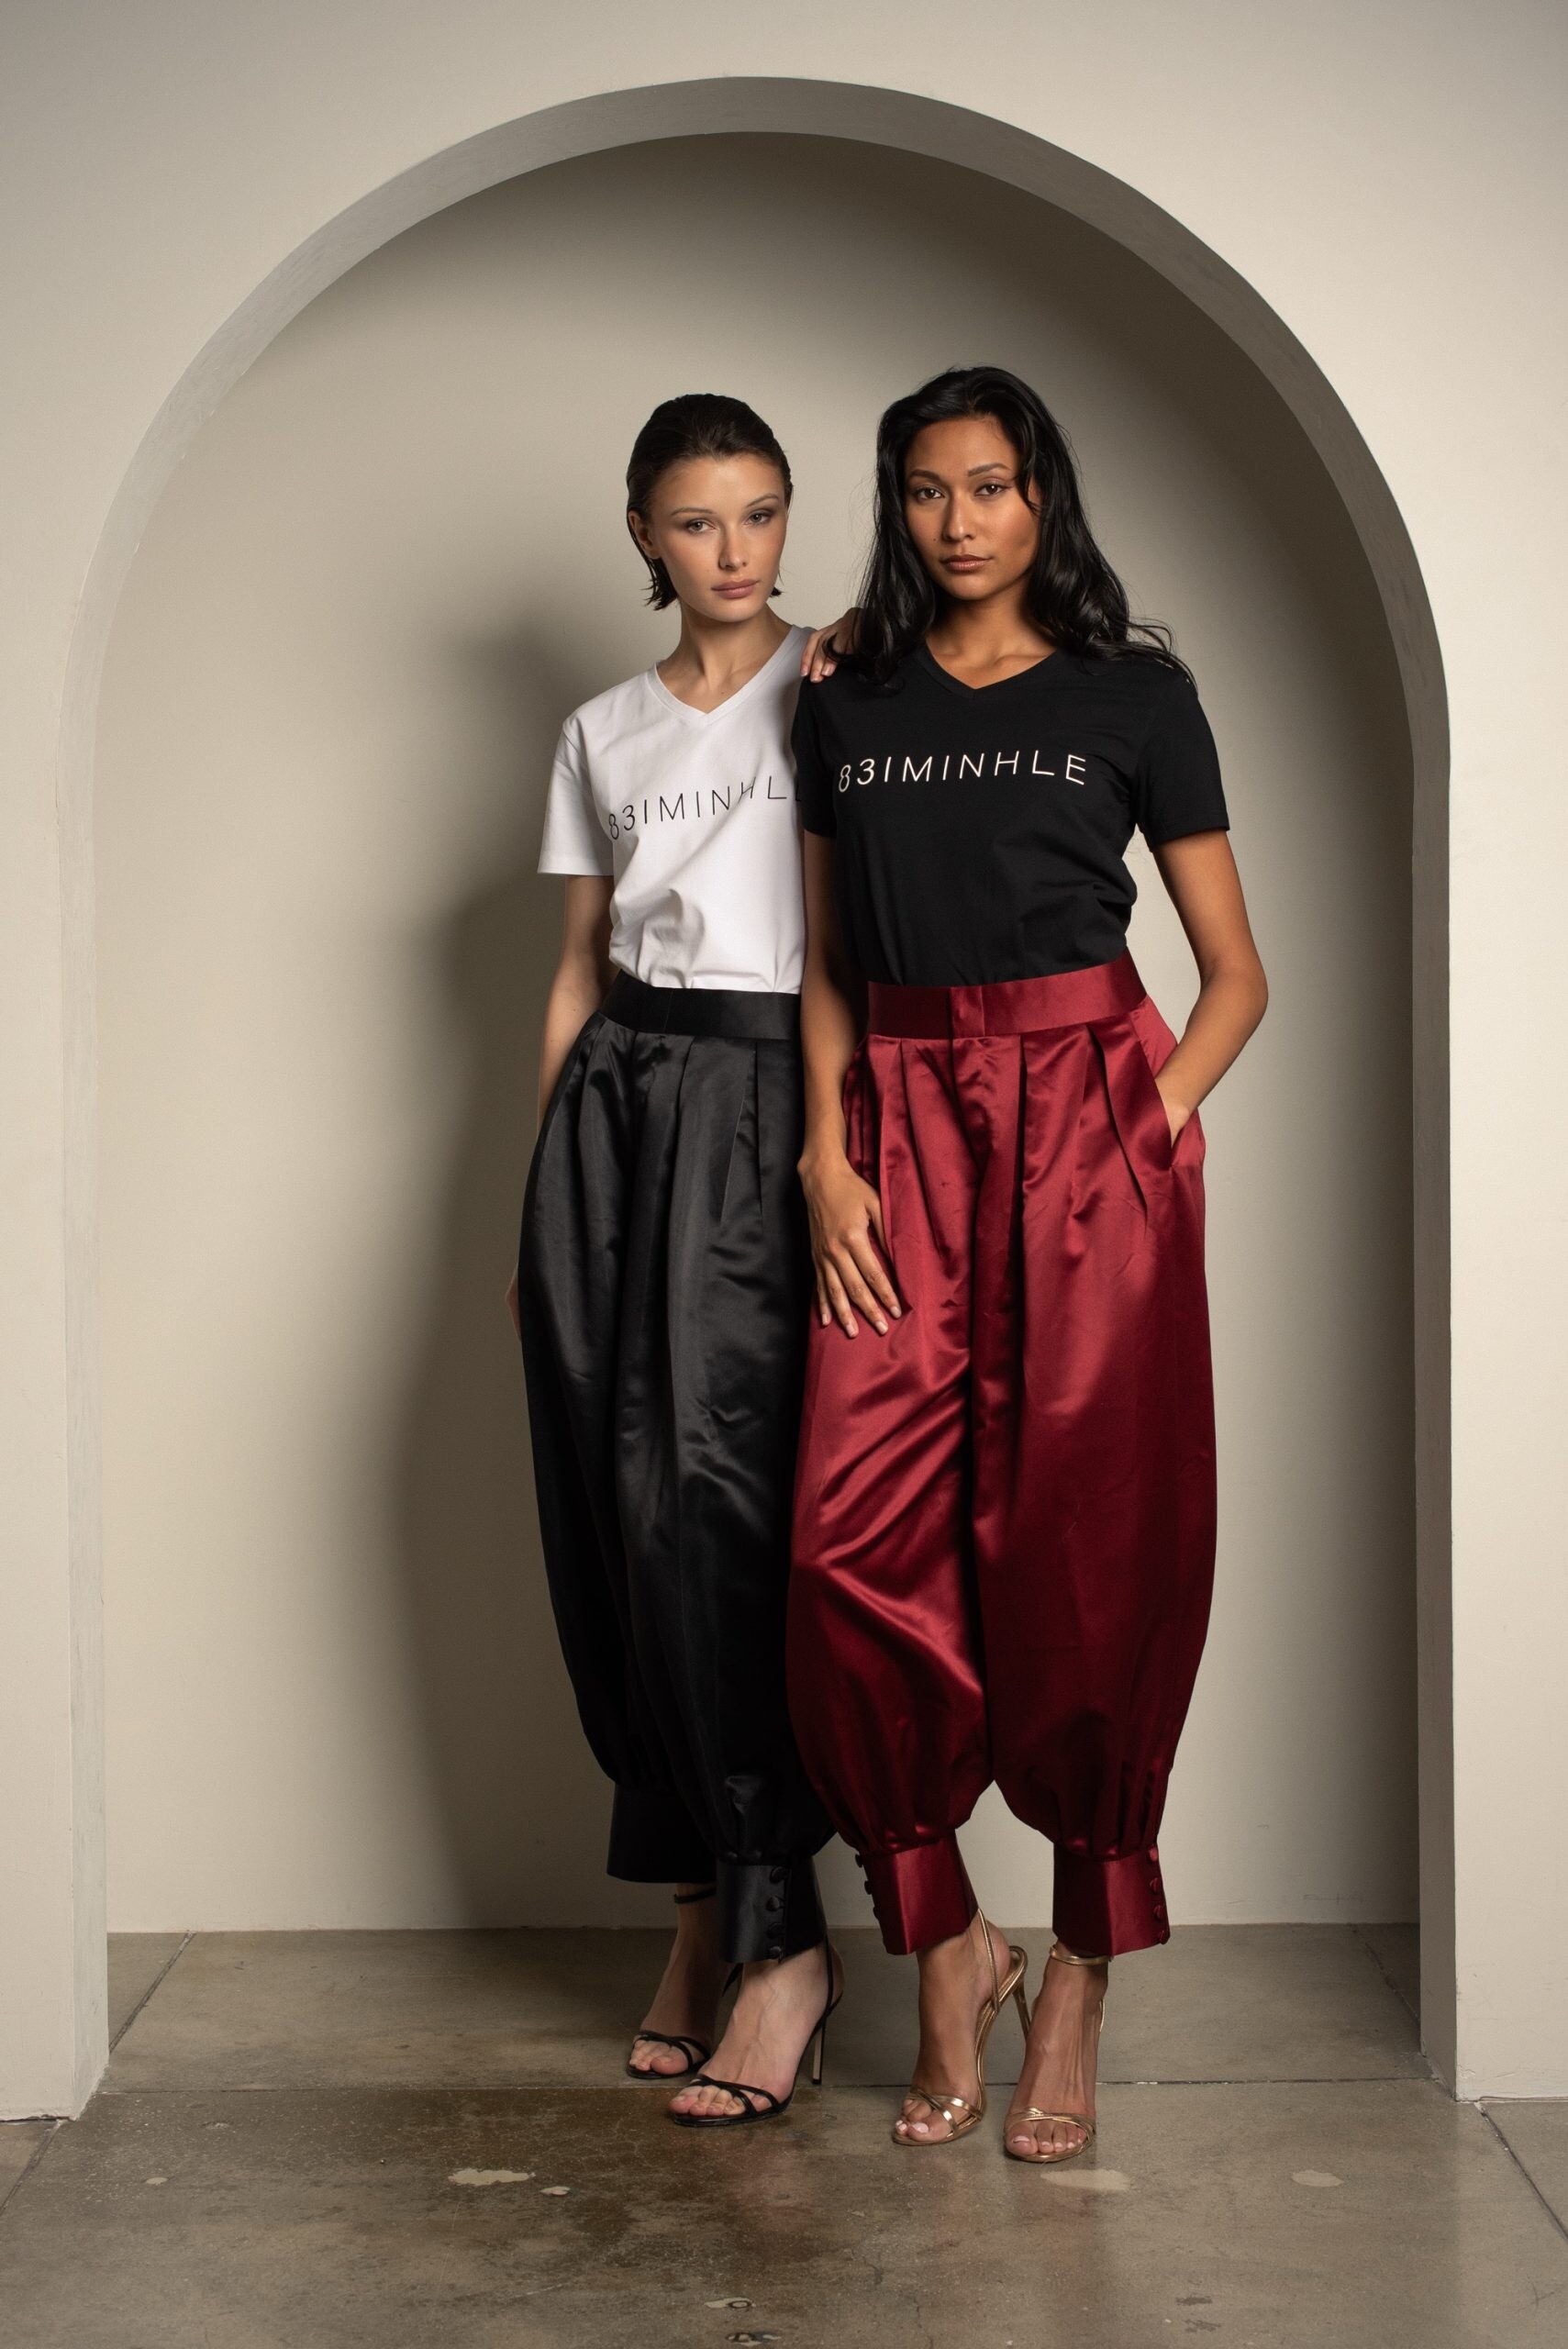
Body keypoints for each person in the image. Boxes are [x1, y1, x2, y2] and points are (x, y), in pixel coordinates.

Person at [787, 364, 1267, 2164]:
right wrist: (828, 1153)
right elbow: (829, 961)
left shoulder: (1137, 693)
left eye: (990, 484)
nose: (958, 519)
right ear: (898, 508)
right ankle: (944, 1941)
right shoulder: (848, 700)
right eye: (926, 489)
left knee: (1088, 1539)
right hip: (900, 1122)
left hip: (1087, 1121)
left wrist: (1145, 1124)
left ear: (1042, 495)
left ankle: (1077, 1963)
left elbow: (1237, 975)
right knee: (847, 1546)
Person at [509, 393, 848, 2128]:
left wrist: (828, 1141)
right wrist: (545, 1175)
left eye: (762, 513)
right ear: (643, 531)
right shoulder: (602, 727)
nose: (735, 550)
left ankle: (784, 1937)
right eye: (700, 520)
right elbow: (580, 962)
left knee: (712, 1504)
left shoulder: (846, 681)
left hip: (768, 1090)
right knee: (608, 1499)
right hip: (616, 1106)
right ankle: (698, 1906)